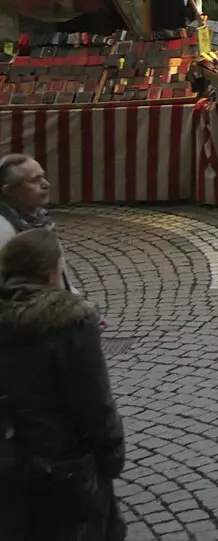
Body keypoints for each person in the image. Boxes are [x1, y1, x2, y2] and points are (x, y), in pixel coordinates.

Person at [0, 229, 125, 541]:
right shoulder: (70, 324)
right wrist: (111, 453)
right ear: (50, 275)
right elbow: (94, 402)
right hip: (66, 463)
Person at [0, 155, 74, 294]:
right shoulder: (4, 230)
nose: (46, 184)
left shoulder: (41, 217)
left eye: (43, 177)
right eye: (35, 180)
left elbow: (59, 272)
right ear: (9, 190)